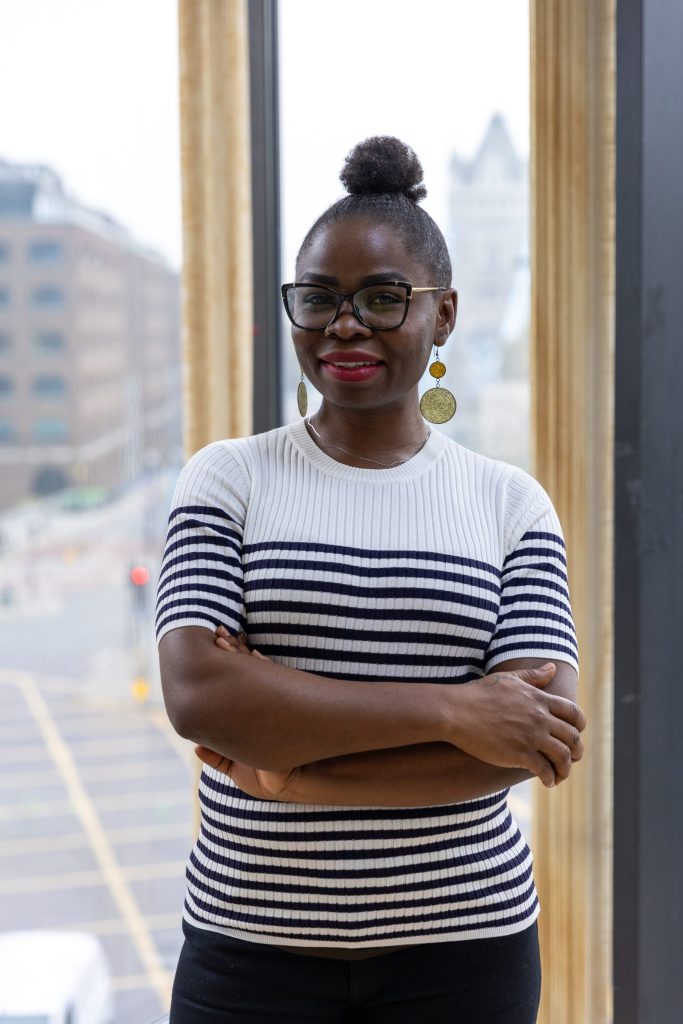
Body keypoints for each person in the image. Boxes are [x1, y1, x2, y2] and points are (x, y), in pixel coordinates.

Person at [156, 136, 585, 1024]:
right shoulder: (227, 477)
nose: (342, 325)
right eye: (317, 298)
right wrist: (452, 710)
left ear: (445, 312)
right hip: (249, 947)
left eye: (383, 299)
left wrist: (288, 766)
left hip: (465, 952)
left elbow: (527, 745)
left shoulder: (510, 503)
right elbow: (201, 697)